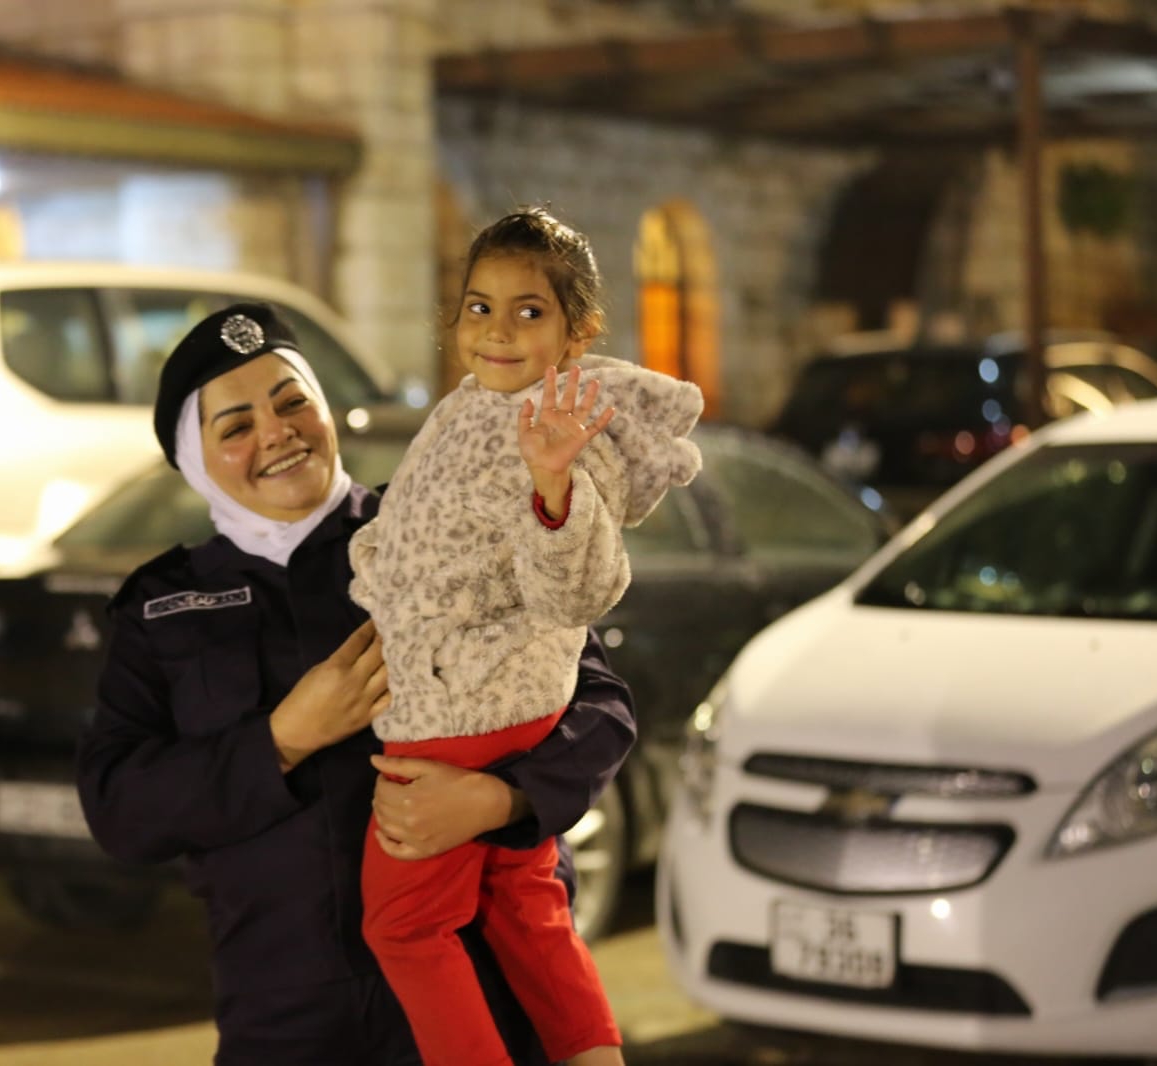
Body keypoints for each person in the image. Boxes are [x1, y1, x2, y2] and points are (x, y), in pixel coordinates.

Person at [75, 299, 637, 1066]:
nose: (276, 433)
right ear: (194, 460)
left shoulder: (443, 524)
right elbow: (120, 809)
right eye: (235, 426)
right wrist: (282, 739)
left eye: (292, 402)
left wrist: (501, 800)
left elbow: (598, 703)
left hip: (476, 1000)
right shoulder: (161, 606)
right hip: (289, 1018)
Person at [349, 208, 703, 1066]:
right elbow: (419, 530)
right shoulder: (469, 407)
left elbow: (575, 592)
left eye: (529, 311)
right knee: (523, 898)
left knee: (403, 924)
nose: (498, 331)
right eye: (479, 307)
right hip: (490, 694)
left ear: (578, 333)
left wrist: (553, 487)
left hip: (463, 703)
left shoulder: (563, 426)